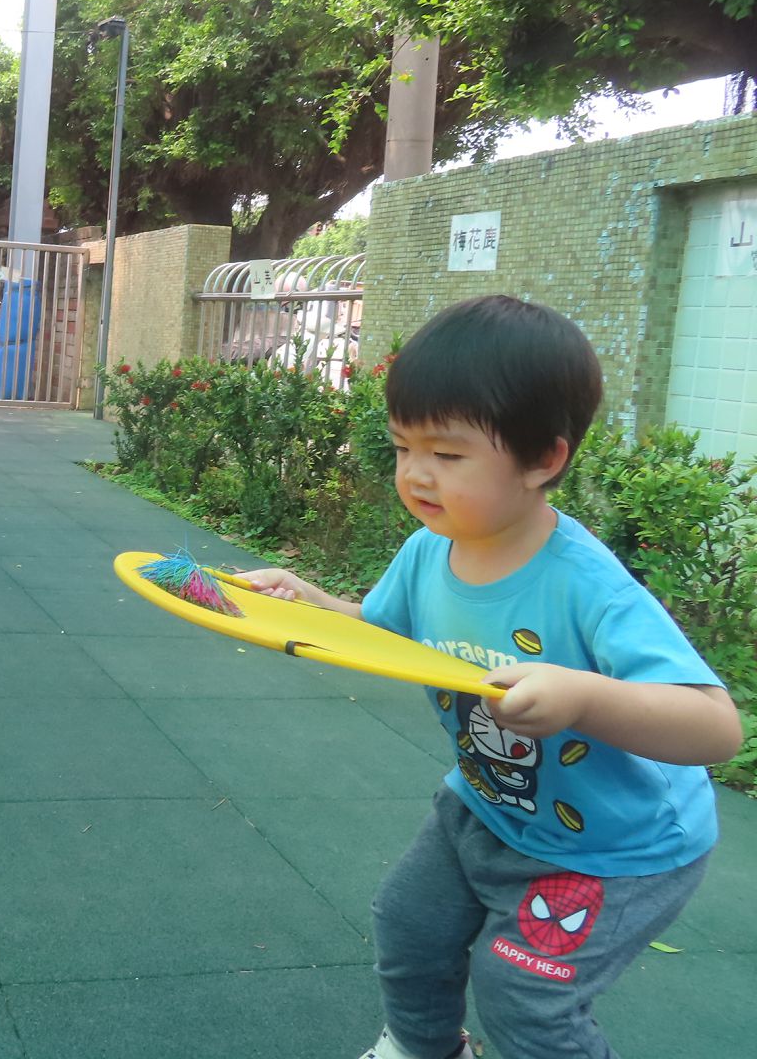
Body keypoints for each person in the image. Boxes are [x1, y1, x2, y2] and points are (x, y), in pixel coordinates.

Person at [242, 295, 742, 1059]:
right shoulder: (429, 549)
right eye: (403, 447)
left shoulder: (588, 586)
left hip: (611, 845)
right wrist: (309, 601)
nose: (416, 474)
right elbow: (380, 634)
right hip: (486, 803)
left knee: (525, 997)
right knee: (409, 927)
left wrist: (582, 696)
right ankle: (425, 1048)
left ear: (543, 460)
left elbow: (715, 726)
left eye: (447, 455)